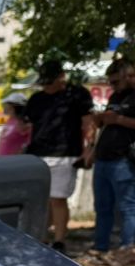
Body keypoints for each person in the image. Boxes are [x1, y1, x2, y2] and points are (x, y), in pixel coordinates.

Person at [24, 58, 96, 250]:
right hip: (38, 155)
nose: (46, 86)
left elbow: (88, 122)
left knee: (58, 198)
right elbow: (29, 126)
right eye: (44, 82)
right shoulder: (36, 99)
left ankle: (59, 241)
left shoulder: (77, 94)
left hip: (66, 154)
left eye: (50, 81)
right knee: (42, 200)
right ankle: (41, 238)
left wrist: (89, 148)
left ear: (61, 77)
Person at [90, 59, 135, 252]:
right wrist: (100, 120)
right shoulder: (115, 96)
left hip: (123, 160)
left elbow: (119, 121)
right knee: (102, 208)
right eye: (110, 82)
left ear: (129, 76)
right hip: (103, 159)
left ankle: (128, 250)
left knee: (127, 208)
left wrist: (118, 119)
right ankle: (100, 247)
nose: (112, 86)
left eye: (116, 82)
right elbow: (106, 123)